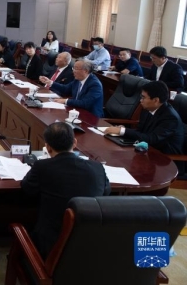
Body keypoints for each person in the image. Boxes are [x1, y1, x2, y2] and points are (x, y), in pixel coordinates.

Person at [21, 122, 110, 259]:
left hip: (50, 247)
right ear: (74, 143)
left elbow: (27, 189)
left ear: (48, 147)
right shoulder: (98, 168)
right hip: (89, 245)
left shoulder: (42, 166)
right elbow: (106, 192)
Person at [104, 81, 184, 157]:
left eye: (143, 97)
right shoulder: (148, 108)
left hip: (165, 159)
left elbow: (152, 139)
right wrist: (122, 130)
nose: (140, 100)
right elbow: (141, 131)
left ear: (156, 100)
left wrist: (123, 131)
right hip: (147, 150)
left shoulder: (170, 118)